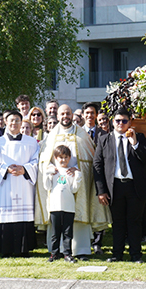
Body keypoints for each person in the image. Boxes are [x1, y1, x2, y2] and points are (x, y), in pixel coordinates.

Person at [40, 104, 108, 258]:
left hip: (78, 180)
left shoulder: (82, 134)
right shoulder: (52, 135)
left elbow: (91, 158)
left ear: (73, 115)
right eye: (62, 114)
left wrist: (77, 168)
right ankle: (57, 250)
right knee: (57, 218)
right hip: (57, 183)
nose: (65, 116)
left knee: (78, 213)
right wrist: (52, 168)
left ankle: (81, 249)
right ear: (57, 116)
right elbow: (44, 159)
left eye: (68, 113)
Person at [93, 110, 146, 263]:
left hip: (135, 186)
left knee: (134, 222)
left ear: (130, 122)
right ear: (112, 122)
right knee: (118, 222)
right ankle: (117, 254)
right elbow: (97, 165)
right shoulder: (104, 139)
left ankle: (136, 255)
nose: (121, 124)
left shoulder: (138, 137)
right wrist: (101, 190)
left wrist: (135, 143)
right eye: (118, 120)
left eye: (124, 121)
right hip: (115, 187)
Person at [0, 111, 40, 258]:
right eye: (11, 120)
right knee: (6, 216)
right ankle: (6, 249)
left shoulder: (30, 142)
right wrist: (6, 169)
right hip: (6, 185)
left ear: (21, 122)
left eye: (17, 120)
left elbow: (37, 161)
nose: (14, 123)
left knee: (24, 216)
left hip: (24, 185)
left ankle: (24, 249)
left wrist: (25, 169)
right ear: (5, 122)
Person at [43, 145, 81, 262]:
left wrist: (78, 176)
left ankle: (67, 254)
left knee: (67, 233)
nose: (63, 160)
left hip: (69, 207)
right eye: (60, 157)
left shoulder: (70, 172)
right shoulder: (53, 171)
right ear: (55, 158)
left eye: (65, 157)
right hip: (55, 207)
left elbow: (74, 189)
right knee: (55, 232)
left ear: (69, 158)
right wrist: (48, 174)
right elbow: (47, 186)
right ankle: (54, 253)